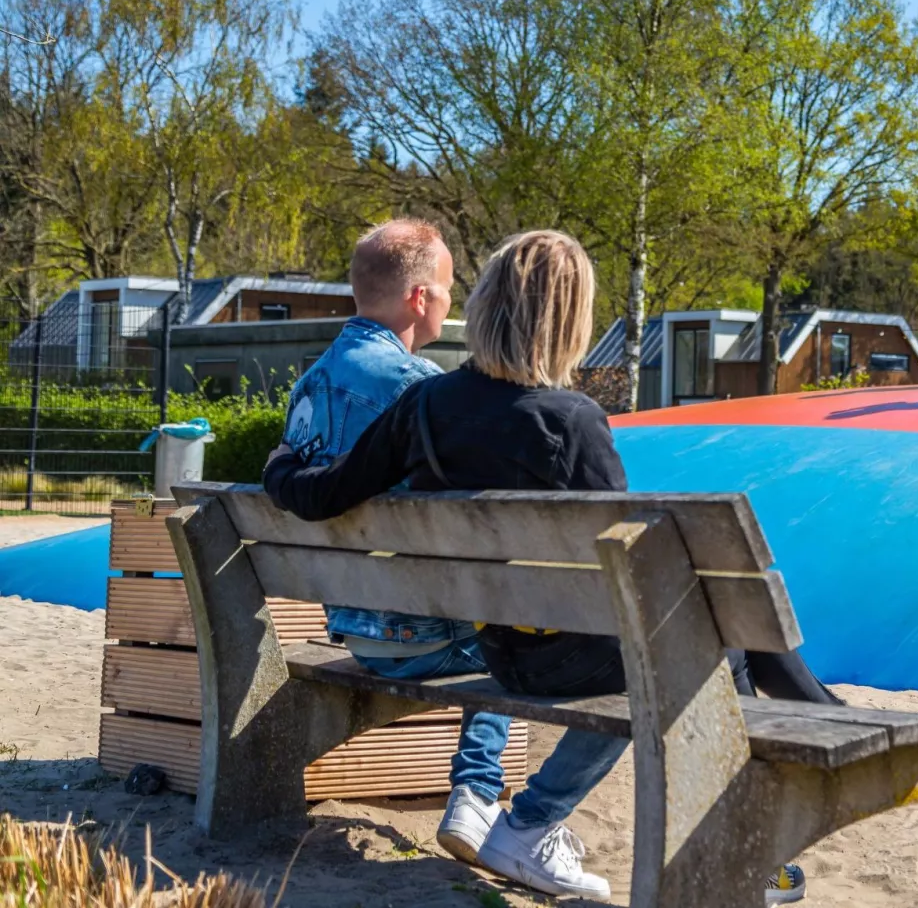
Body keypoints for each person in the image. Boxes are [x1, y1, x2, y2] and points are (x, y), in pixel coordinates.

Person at [264, 230, 826, 904]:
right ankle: (559, 821)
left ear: (489, 303)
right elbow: (633, 578)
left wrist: (278, 463)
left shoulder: (426, 404)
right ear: (568, 319)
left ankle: (758, 791)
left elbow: (324, 493)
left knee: (715, 639)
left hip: (495, 647)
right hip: (558, 659)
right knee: (709, 648)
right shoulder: (573, 421)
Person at [279, 218, 513, 867]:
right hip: (424, 641)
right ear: (418, 298)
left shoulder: (307, 388)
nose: (449, 299)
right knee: (516, 638)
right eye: (445, 287)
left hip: (352, 631)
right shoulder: (419, 390)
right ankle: (476, 790)